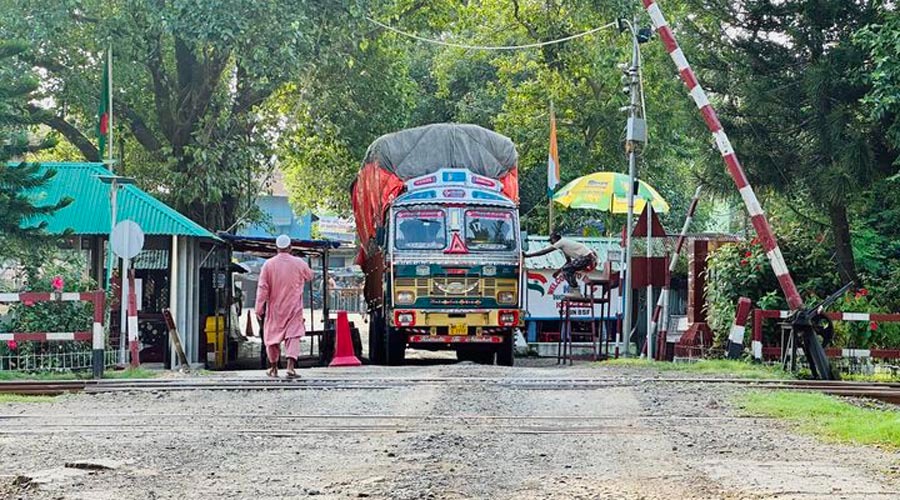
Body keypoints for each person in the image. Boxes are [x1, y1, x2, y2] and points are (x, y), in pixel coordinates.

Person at [255, 234, 313, 378]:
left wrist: (259, 308)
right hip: (293, 308)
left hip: (274, 309)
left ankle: (273, 368)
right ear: (290, 248)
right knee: (293, 336)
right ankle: (290, 367)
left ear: (276, 248)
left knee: (272, 338)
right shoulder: (299, 263)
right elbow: (310, 276)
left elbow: (262, 287)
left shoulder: (268, 265)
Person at [522, 232, 597, 298]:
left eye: (551, 240)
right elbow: (568, 262)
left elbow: (544, 252)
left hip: (587, 257)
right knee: (567, 269)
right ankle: (576, 290)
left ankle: (575, 290)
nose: (551, 243)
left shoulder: (561, 242)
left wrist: (528, 255)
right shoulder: (564, 247)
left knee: (567, 269)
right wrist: (558, 272)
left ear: (556, 239)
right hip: (587, 259)